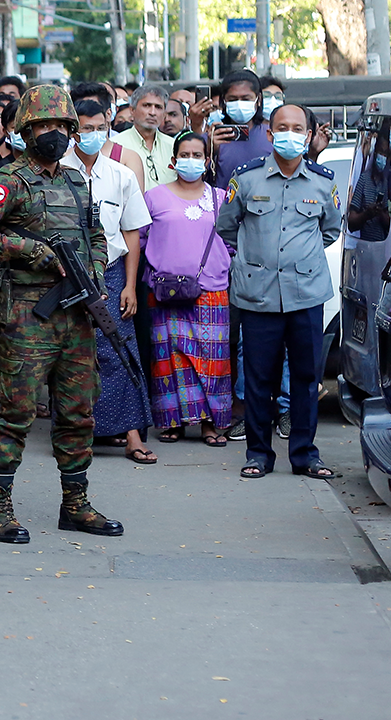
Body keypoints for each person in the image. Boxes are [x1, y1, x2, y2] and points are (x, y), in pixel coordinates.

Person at [0, 84, 124, 544]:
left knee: (78, 411)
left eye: (60, 126)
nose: (53, 134)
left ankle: (76, 504)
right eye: (43, 126)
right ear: (26, 131)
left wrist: (92, 274)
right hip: (27, 316)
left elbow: (97, 235)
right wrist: (31, 250)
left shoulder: (75, 181)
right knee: (16, 412)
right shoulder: (7, 180)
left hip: (76, 314)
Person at [216, 104, 343, 480]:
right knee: (258, 378)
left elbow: (330, 231)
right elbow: (227, 227)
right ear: (270, 135)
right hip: (258, 295)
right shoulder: (247, 178)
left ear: (308, 135)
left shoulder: (323, 182)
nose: (290, 134)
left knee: (306, 379)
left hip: (305, 295)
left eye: (297, 128)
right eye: (282, 128)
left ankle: (304, 455)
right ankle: (258, 454)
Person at [62, 99, 156, 464]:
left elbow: (132, 234)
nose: (93, 135)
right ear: (73, 131)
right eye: (86, 128)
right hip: (66, 274)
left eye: (100, 127)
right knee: (72, 354)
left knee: (120, 349)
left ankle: (132, 435)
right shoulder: (56, 172)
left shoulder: (121, 174)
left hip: (114, 273)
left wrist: (131, 285)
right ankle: (76, 433)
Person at [142, 132, 235, 445]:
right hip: (166, 291)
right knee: (170, 358)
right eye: (185, 154)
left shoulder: (221, 198)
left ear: (207, 162)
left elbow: (234, 242)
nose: (191, 160)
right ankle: (173, 422)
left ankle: (211, 423)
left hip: (211, 289)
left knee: (212, 359)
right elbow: (139, 239)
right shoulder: (153, 197)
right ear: (173, 160)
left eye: (198, 155)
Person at [70, 81, 146, 188]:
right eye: (83, 109)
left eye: (94, 108)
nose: (89, 113)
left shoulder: (128, 160)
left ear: (109, 113)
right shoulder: (63, 160)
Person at [112, 85, 176, 189]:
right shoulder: (116, 145)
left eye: (158, 107)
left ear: (164, 114)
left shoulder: (174, 146)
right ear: (132, 110)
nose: (152, 113)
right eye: (147, 105)